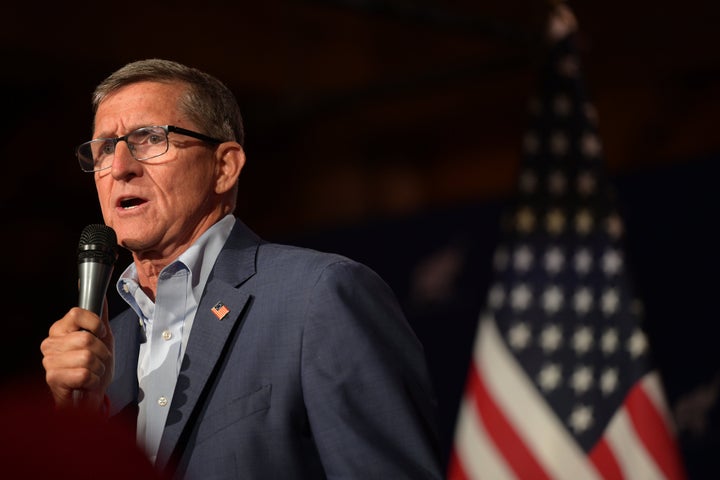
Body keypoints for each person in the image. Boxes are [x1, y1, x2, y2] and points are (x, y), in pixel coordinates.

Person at [40, 58, 443, 479]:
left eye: (149, 138)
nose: (120, 167)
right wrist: (74, 420)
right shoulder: (102, 351)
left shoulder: (318, 297)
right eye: (105, 148)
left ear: (225, 166)